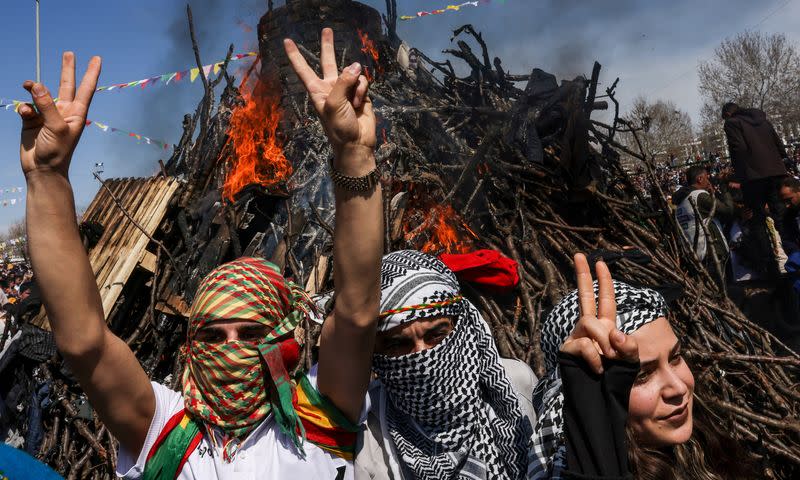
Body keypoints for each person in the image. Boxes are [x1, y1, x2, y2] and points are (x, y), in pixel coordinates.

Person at [17, 27, 382, 479]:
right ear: (191, 347)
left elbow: (358, 314)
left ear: (287, 339)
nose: (231, 352)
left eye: (251, 336)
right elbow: (84, 342)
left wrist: (352, 154)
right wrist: (48, 179)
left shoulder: (316, 420)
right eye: (213, 337)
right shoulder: (167, 430)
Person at [529, 253, 759, 479]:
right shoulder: (577, 466)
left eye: (675, 357)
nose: (678, 388)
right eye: (642, 375)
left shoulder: (706, 446)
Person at [353, 250, 535, 479]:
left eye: (436, 335)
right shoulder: (369, 432)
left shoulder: (516, 382)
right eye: (398, 344)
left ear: (459, 326)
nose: (422, 356)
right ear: (377, 353)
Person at [723, 102, 788, 275]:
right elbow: (779, 145)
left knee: (757, 221)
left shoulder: (731, 123)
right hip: (777, 172)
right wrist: (780, 162)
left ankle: (770, 268)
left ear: (728, 115)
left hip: (753, 177)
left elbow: (739, 148)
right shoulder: (763, 120)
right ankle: (793, 254)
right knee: (782, 217)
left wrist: (739, 174)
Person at [672, 165, 733, 278]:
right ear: (700, 179)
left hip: (695, 253)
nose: (708, 181)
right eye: (706, 177)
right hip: (710, 252)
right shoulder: (699, 196)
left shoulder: (680, 202)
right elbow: (728, 210)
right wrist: (724, 189)